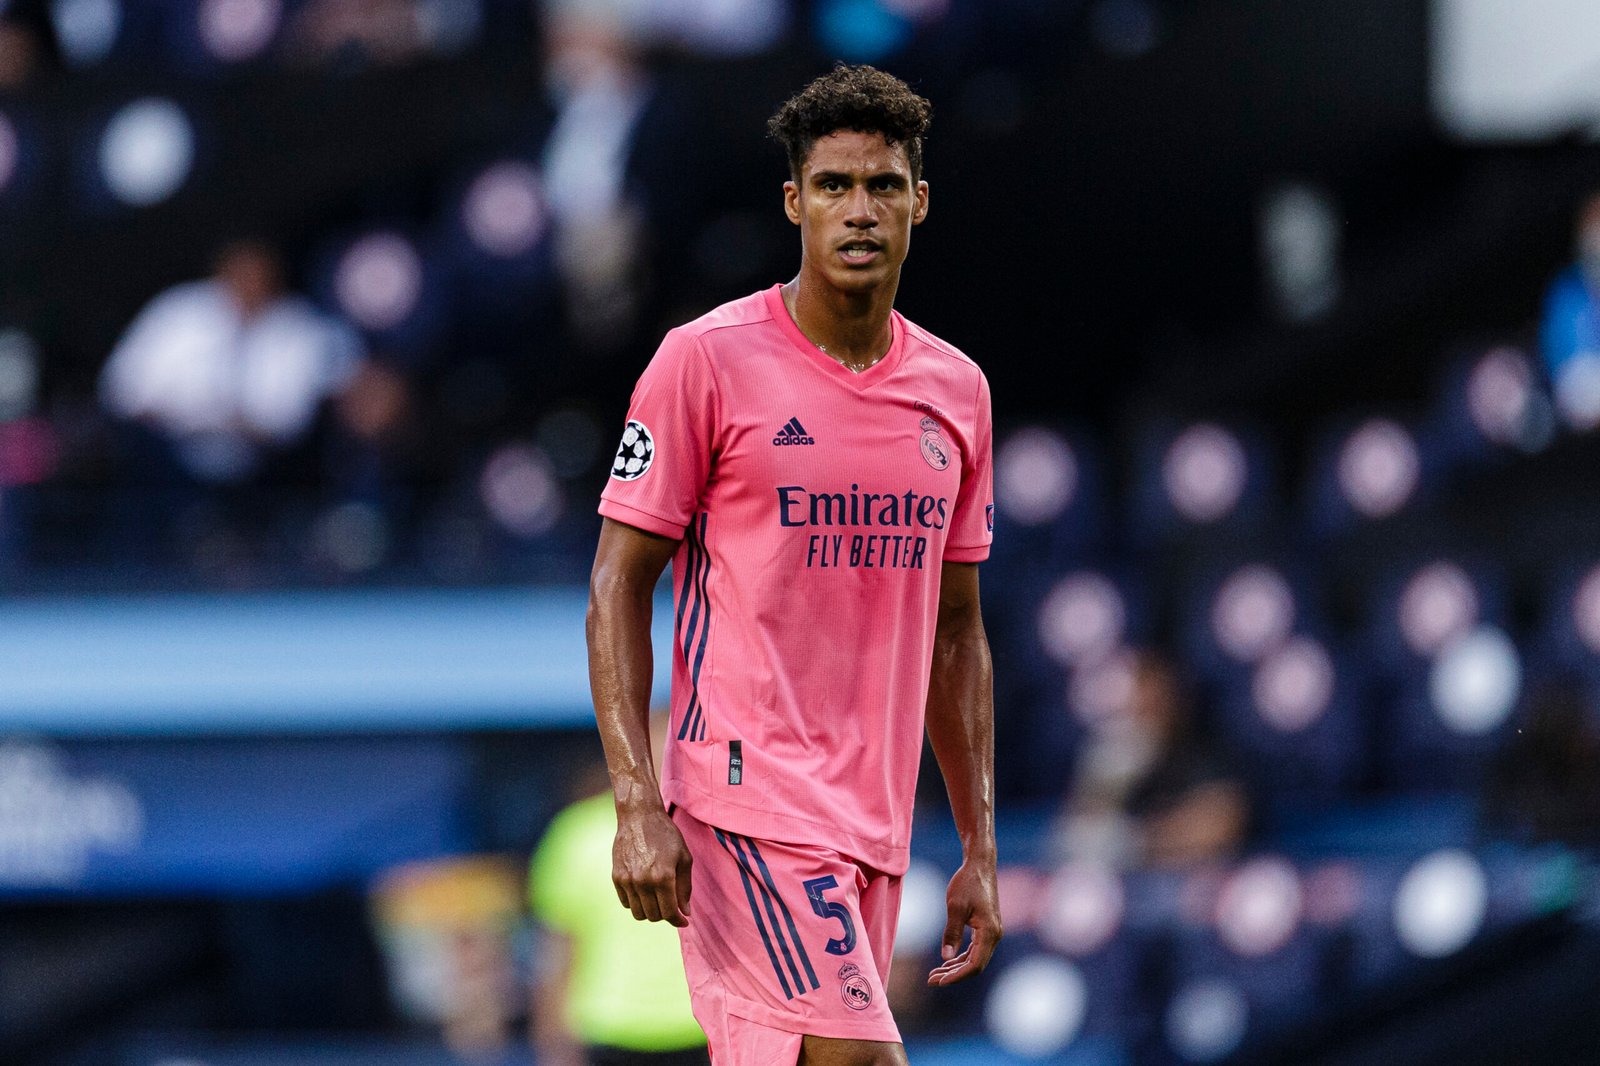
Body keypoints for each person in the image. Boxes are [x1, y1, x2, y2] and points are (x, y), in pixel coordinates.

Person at [585, 64, 1000, 1066]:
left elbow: (956, 630)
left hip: (873, 818)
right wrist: (636, 801)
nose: (859, 210)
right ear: (793, 202)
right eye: (833, 186)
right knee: (859, 1059)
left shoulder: (957, 391)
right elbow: (615, 585)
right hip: (744, 795)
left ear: (919, 202)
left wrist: (979, 843)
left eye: (883, 185)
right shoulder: (704, 361)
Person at [528, 713, 710, 1066]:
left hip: (699, 1024)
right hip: (609, 1027)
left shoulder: (716, 831)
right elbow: (558, 948)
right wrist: (555, 1045)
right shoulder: (577, 833)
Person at [1050, 650, 1250, 869]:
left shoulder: (1199, 753)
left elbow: (1220, 823)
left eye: (1157, 701)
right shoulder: (1114, 759)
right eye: (1138, 702)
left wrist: (1134, 841)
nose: (1145, 711)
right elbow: (1075, 836)